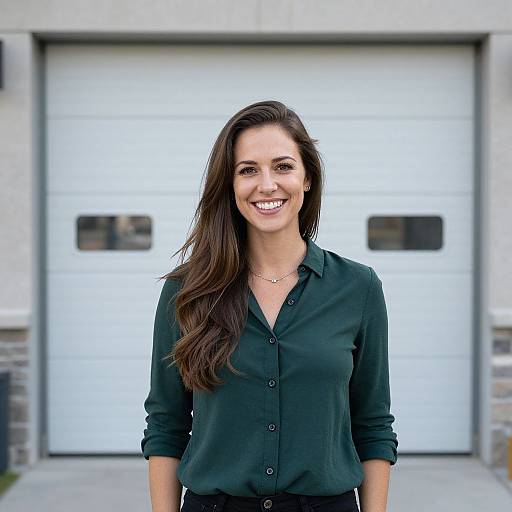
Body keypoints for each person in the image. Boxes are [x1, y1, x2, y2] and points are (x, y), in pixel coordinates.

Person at [141, 100, 398, 512]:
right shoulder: (187, 290)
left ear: (307, 177)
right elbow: (166, 425)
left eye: (282, 166)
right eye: (248, 170)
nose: (267, 185)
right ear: (230, 184)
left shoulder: (358, 287)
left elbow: (373, 425)